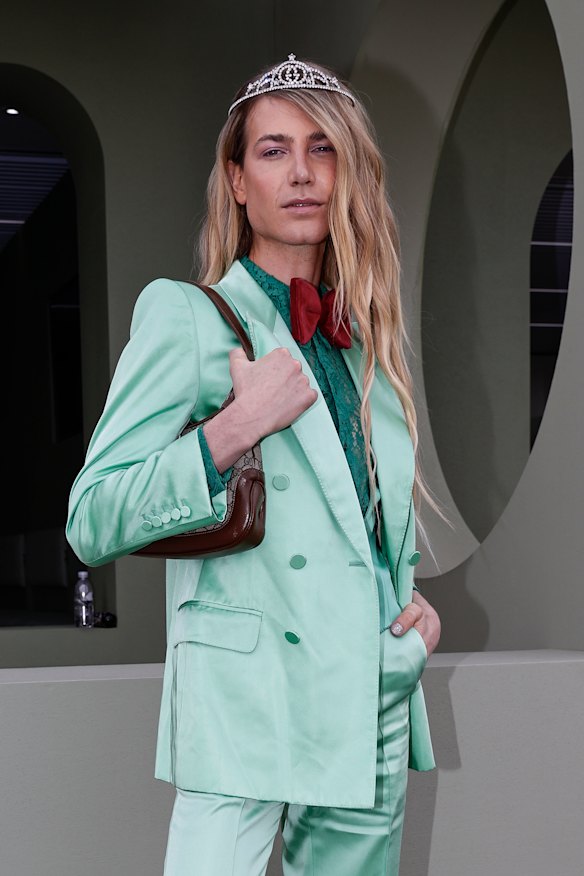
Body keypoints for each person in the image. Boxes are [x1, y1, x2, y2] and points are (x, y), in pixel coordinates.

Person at [66, 54, 441, 876]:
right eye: (272, 151)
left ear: (348, 169)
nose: (301, 172)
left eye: (321, 147)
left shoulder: (368, 340)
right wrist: (231, 430)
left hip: (367, 688)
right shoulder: (189, 316)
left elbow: (358, 520)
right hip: (249, 701)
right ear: (236, 180)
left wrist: (407, 607)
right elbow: (92, 519)